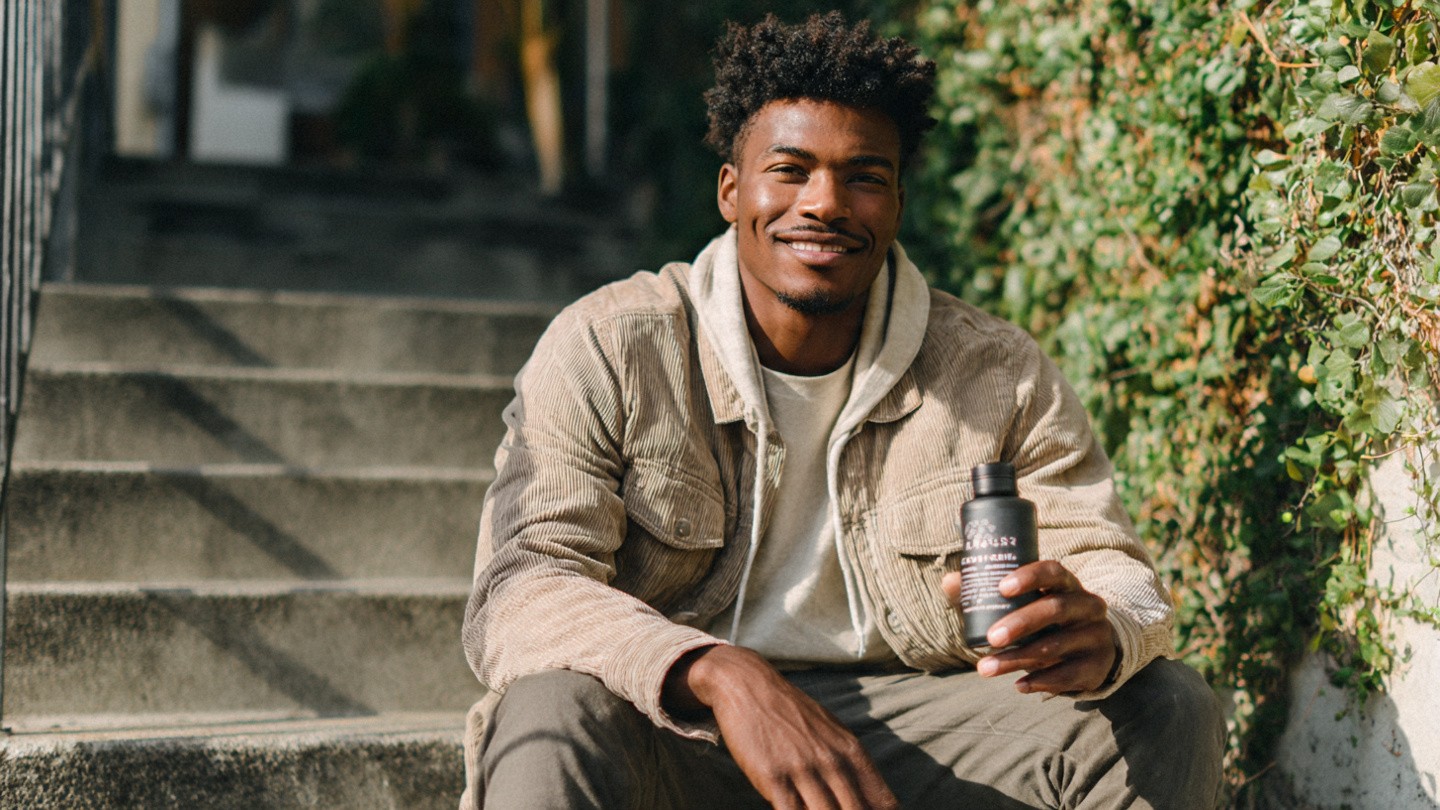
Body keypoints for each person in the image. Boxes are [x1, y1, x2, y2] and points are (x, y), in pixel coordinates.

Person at [460, 12, 1225, 809]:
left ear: (895, 202)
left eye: (863, 176)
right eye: (790, 169)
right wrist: (717, 671)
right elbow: (523, 587)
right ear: (731, 190)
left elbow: (1114, 567)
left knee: (1167, 706)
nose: (825, 203)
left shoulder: (996, 371)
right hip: (678, 728)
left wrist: (1104, 627)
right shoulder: (610, 345)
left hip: (913, 731)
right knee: (548, 706)